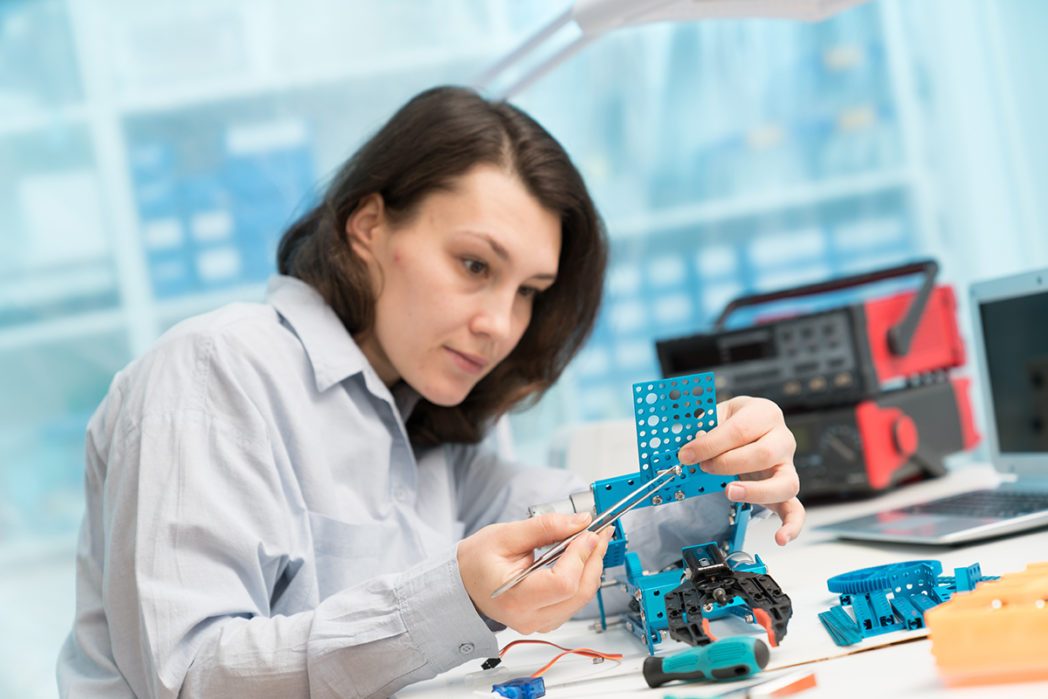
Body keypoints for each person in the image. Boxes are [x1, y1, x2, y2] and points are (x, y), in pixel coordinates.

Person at [57, 86, 803, 698]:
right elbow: (187, 676)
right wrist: (458, 598)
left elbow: (592, 529)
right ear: (369, 224)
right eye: (475, 265)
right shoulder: (211, 371)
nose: (500, 325)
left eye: (529, 292)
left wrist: (725, 475)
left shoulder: (427, 419)